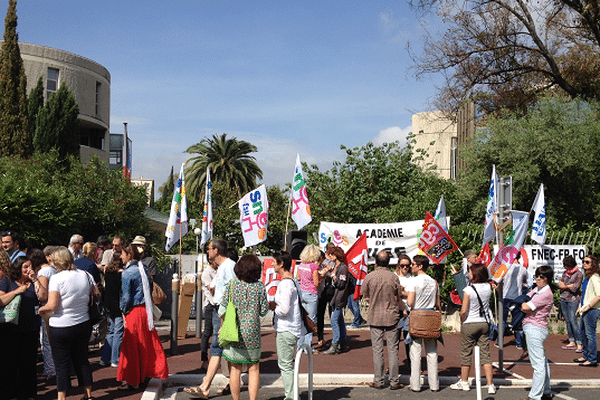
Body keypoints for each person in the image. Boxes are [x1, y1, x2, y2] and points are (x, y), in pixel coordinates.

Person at [38, 247, 93, 400]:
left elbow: (52, 305)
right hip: (83, 322)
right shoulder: (84, 274)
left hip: (61, 325)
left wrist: (41, 309)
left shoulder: (57, 278)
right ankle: (87, 394)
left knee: (62, 364)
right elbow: (95, 293)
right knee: (82, 359)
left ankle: (62, 397)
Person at [184, 238, 236, 398]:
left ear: (217, 250)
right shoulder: (222, 267)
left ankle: (214, 386)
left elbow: (232, 292)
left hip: (224, 313)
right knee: (219, 349)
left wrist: (224, 320)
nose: (207, 251)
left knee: (224, 349)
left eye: (209, 248)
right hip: (218, 311)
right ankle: (206, 386)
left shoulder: (229, 267)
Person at [117, 245, 169, 389]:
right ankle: (144, 374)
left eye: (122, 254)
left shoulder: (128, 273)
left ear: (129, 255)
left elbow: (126, 297)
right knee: (145, 344)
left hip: (133, 312)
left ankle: (133, 380)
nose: (121, 257)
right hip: (145, 311)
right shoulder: (143, 269)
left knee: (132, 346)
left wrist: (122, 310)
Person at [219, 254, 268, 400]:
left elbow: (222, 310)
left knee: (235, 369)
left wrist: (222, 326)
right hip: (252, 333)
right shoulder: (259, 287)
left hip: (235, 332)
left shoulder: (232, 285)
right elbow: (264, 311)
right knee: (254, 368)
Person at [0, 255, 48, 400]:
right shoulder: (7, 281)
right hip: (10, 329)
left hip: (31, 329)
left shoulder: (34, 283)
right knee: (9, 363)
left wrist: (35, 280)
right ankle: (8, 393)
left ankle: (28, 394)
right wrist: (16, 292)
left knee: (28, 364)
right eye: (25, 267)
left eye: (31, 267)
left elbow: (43, 297)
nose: (29, 270)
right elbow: (1, 300)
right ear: (18, 268)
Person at [362, 250, 405, 390]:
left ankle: (378, 380)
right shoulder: (393, 277)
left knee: (377, 349)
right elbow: (398, 297)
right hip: (391, 316)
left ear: (375, 262)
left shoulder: (369, 277)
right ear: (388, 263)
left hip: (375, 316)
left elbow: (365, 295)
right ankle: (394, 381)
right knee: (393, 349)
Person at [450, 263, 496, 394]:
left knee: (466, 353)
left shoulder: (468, 290)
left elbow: (464, 310)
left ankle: (464, 382)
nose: (469, 274)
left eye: (470, 272)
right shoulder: (488, 287)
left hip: (470, 322)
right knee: (485, 354)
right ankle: (490, 384)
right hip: (484, 323)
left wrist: (462, 320)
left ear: (475, 274)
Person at [269, 251, 303, 400]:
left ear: (281, 264)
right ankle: (292, 395)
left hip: (286, 328)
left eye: (274, 262)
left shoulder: (285, 283)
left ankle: (290, 396)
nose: (272, 264)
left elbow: (283, 310)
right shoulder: (293, 281)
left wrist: (273, 307)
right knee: (287, 365)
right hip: (293, 327)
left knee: (285, 366)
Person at [406, 255, 440, 392]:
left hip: (417, 315)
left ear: (420, 266)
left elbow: (409, 302)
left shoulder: (413, 282)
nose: (411, 266)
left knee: (415, 352)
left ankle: (415, 385)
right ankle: (434, 385)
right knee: (432, 352)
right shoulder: (434, 282)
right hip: (431, 315)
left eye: (413, 264)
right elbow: (437, 303)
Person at [522, 265, 555, 400]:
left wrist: (521, 303)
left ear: (548, 279)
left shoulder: (546, 293)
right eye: (537, 276)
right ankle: (546, 391)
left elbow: (525, 306)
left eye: (542, 277)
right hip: (534, 327)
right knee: (542, 362)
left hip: (535, 328)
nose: (538, 279)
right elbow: (525, 298)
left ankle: (535, 396)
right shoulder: (538, 289)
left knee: (538, 365)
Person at [497, 252, 528, 350]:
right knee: (517, 320)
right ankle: (519, 343)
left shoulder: (505, 268)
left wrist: (498, 289)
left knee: (502, 320)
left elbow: (498, 281)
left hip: (505, 297)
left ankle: (499, 342)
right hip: (517, 297)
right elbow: (525, 281)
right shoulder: (523, 269)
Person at [323, 246, 351, 354]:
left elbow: (341, 284)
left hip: (339, 297)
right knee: (340, 321)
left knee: (334, 321)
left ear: (336, 256)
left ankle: (335, 344)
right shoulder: (336, 266)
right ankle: (343, 343)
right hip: (335, 296)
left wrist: (333, 274)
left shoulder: (343, 268)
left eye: (331, 254)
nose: (329, 256)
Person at [99, 252, 124, 368]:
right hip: (118, 305)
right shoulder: (122, 274)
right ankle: (115, 358)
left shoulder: (107, 272)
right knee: (118, 332)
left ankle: (105, 358)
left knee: (111, 332)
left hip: (109, 304)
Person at [574, 255, 600, 367]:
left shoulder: (595, 277)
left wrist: (588, 306)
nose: (584, 263)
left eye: (587, 262)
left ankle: (592, 359)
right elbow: (584, 294)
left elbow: (599, 295)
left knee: (590, 335)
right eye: (583, 261)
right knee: (583, 334)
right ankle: (585, 355)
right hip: (585, 309)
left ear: (593, 264)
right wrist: (580, 307)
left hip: (592, 310)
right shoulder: (587, 278)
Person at [295, 244, 321, 351]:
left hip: (302, 292)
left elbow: (297, 277)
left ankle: (300, 345)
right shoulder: (314, 267)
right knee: (311, 320)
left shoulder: (301, 265)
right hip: (311, 294)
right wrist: (321, 277)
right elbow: (316, 283)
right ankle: (307, 347)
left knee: (302, 319)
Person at [38, 246, 59, 379]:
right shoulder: (55, 270)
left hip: (47, 308)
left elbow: (42, 295)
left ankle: (51, 370)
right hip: (56, 308)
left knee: (47, 341)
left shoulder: (44, 272)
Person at [558, 255, 583, 352]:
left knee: (573, 321)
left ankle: (579, 343)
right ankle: (572, 341)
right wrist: (568, 286)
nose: (564, 267)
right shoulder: (565, 273)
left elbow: (575, 288)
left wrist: (566, 286)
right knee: (568, 321)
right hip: (564, 299)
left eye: (565, 265)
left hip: (573, 300)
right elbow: (560, 284)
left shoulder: (578, 274)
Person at [200, 256, 218, 371]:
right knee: (207, 332)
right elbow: (211, 289)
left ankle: (215, 359)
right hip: (210, 305)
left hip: (217, 304)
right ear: (211, 260)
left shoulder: (218, 270)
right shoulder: (207, 273)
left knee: (217, 332)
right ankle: (204, 359)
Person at [394, 254, 412, 365]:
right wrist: (405, 294)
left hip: (409, 309)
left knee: (408, 339)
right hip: (396, 310)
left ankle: (411, 364)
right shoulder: (394, 276)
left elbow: (412, 295)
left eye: (407, 265)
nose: (405, 267)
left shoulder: (412, 278)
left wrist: (401, 292)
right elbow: (392, 294)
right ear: (399, 265)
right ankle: (394, 364)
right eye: (403, 265)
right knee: (394, 339)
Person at [316, 248, 334, 350]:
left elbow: (328, 274)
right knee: (316, 316)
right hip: (316, 293)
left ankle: (322, 337)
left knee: (325, 315)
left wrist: (326, 273)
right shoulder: (312, 265)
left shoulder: (327, 264)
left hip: (325, 292)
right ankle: (318, 337)